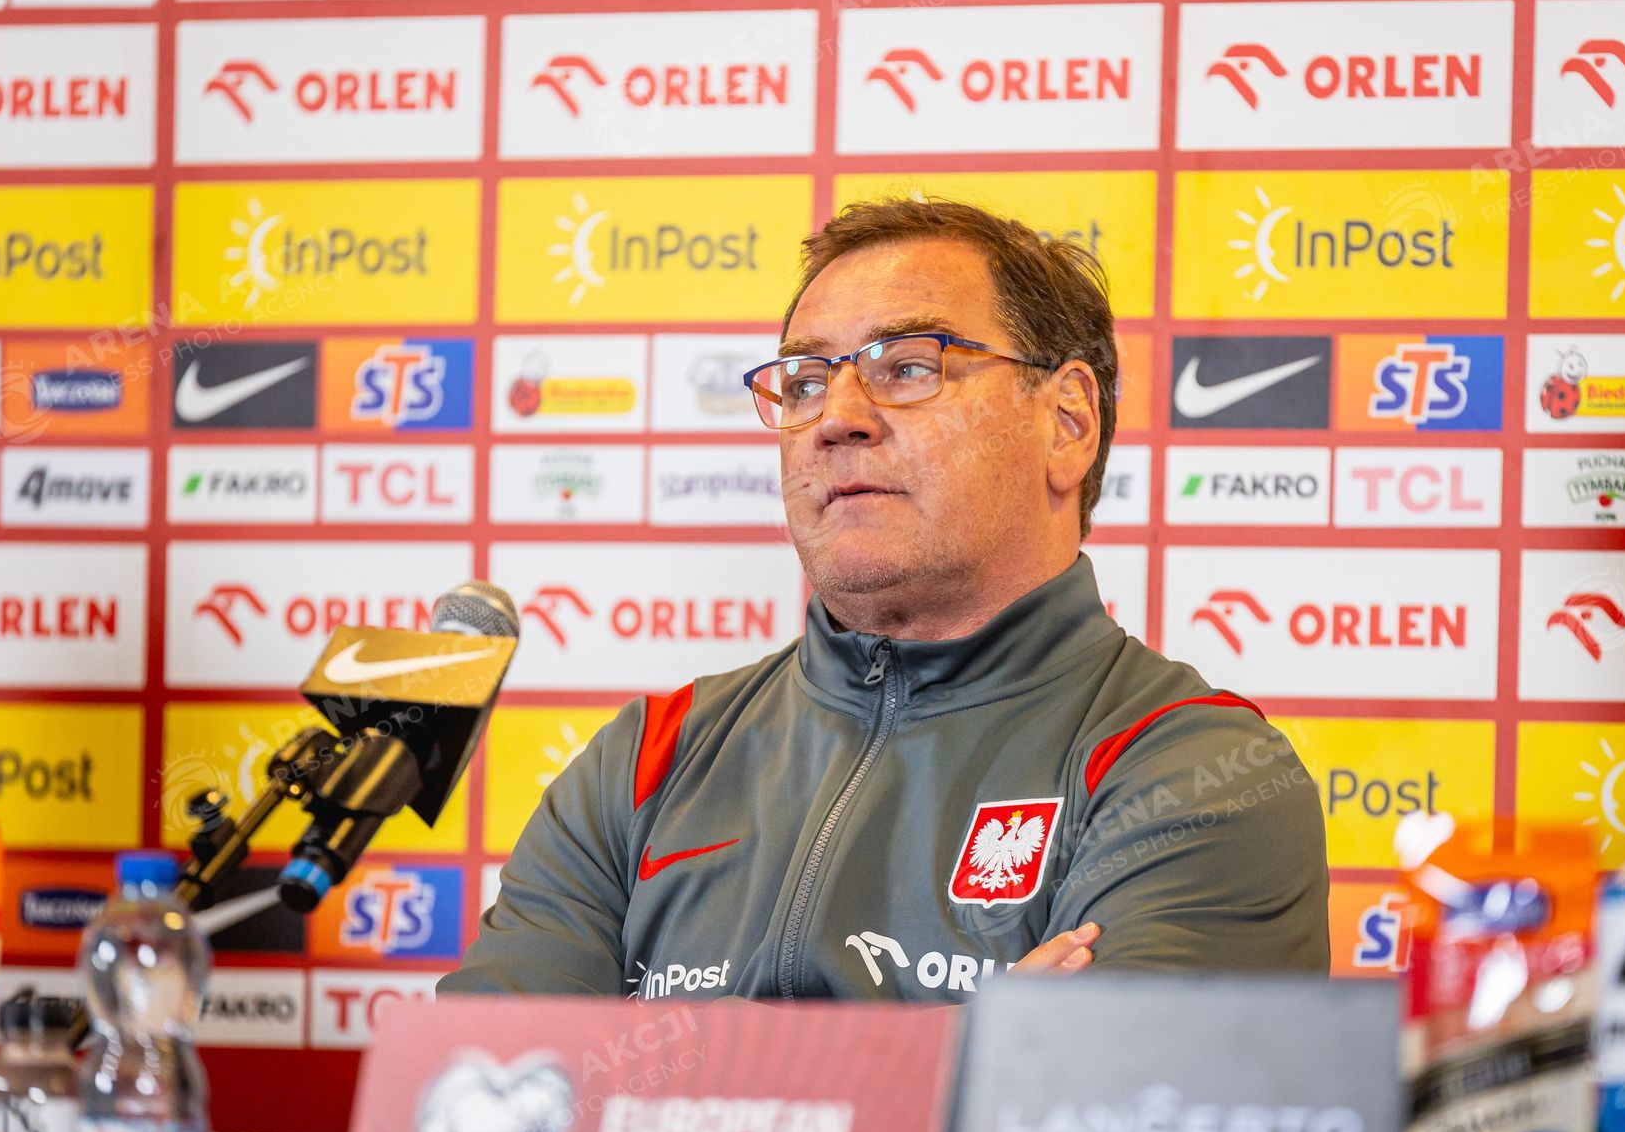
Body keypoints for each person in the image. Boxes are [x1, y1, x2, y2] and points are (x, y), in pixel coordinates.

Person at [443, 199, 1329, 1002]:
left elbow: (1087, 1110)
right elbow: (486, 1096)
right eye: (804, 382)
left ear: (1067, 423)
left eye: (908, 367)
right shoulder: (648, 760)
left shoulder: (1197, 772)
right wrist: (968, 1050)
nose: (837, 415)